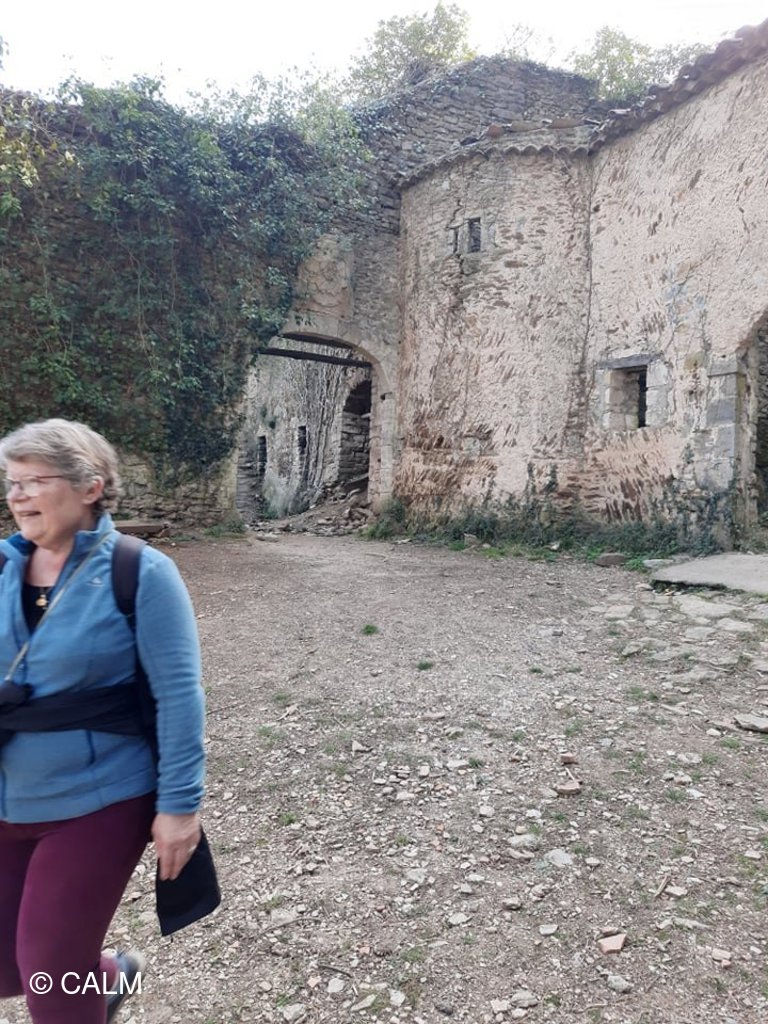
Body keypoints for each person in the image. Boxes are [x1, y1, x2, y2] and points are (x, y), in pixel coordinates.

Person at [0, 418, 206, 1024]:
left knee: (49, 972)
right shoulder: (2, 568)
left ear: (90, 487)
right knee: (7, 967)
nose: (18, 496)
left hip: (99, 799)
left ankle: (85, 986)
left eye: (34, 481)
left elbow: (179, 696)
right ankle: (110, 978)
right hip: (8, 797)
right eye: (11, 483)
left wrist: (180, 808)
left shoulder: (140, 572)